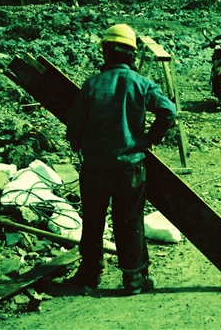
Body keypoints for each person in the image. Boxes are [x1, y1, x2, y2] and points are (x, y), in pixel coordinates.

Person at [65, 23, 177, 296]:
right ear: (132, 55)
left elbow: (74, 128)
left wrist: (81, 145)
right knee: (129, 221)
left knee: (93, 222)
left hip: (95, 169)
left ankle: (89, 275)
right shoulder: (142, 84)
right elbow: (168, 112)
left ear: (105, 53)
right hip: (130, 167)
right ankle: (134, 279)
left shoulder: (91, 86)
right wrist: (150, 139)